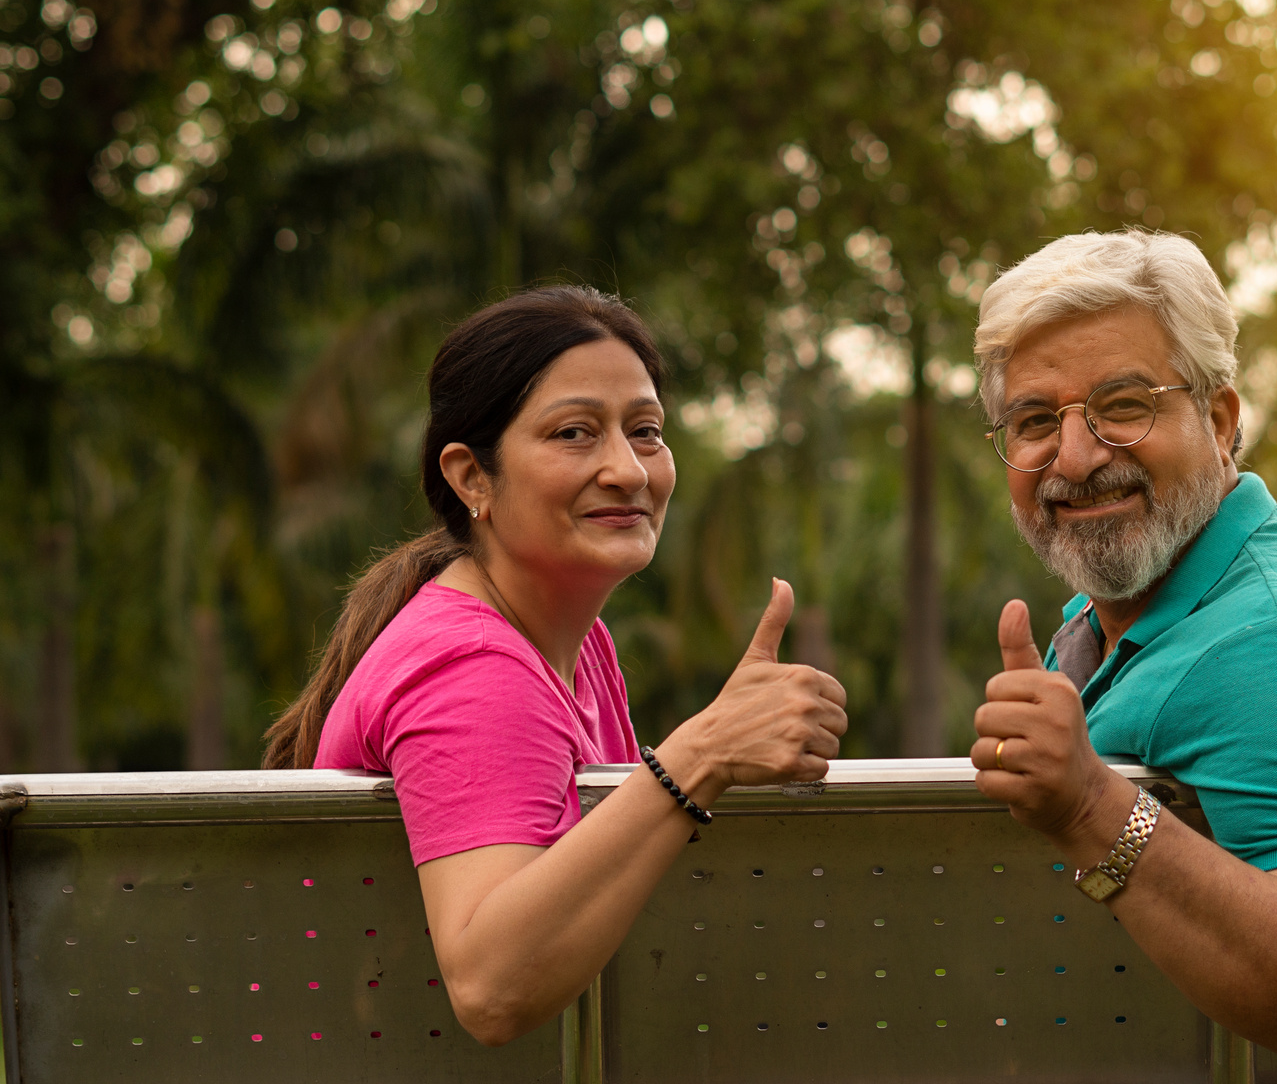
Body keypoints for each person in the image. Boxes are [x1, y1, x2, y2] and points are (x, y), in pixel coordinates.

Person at [263, 285, 847, 1047]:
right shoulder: (473, 665)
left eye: (645, 432)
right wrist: (702, 754)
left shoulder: (572, 643)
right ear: (472, 476)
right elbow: (492, 987)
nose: (627, 471)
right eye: (575, 433)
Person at [965, 231, 1277, 1070]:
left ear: (1221, 420)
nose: (1077, 457)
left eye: (1124, 405)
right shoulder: (1126, 609)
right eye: (1035, 421)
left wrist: (1091, 804)